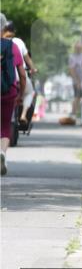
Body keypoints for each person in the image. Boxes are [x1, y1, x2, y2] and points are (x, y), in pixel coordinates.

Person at [1, 13, 28, 176]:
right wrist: (21, 94)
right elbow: (22, 74)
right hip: (8, 92)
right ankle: (2, 153)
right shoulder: (12, 46)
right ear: (3, 28)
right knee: (4, 128)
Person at [3, 22, 37, 125]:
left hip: (4, 79)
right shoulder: (18, 42)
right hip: (19, 77)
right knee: (30, 93)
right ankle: (23, 114)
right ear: (14, 31)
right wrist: (33, 69)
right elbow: (28, 60)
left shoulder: (1, 42)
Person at [68, 40, 82, 117]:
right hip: (77, 81)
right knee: (77, 97)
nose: (79, 49)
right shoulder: (72, 57)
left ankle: (81, 114)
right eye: (77, 47)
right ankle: (73, 113)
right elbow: (72, 70)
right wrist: (78, 82)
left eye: (80, 47)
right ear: (75, 48)